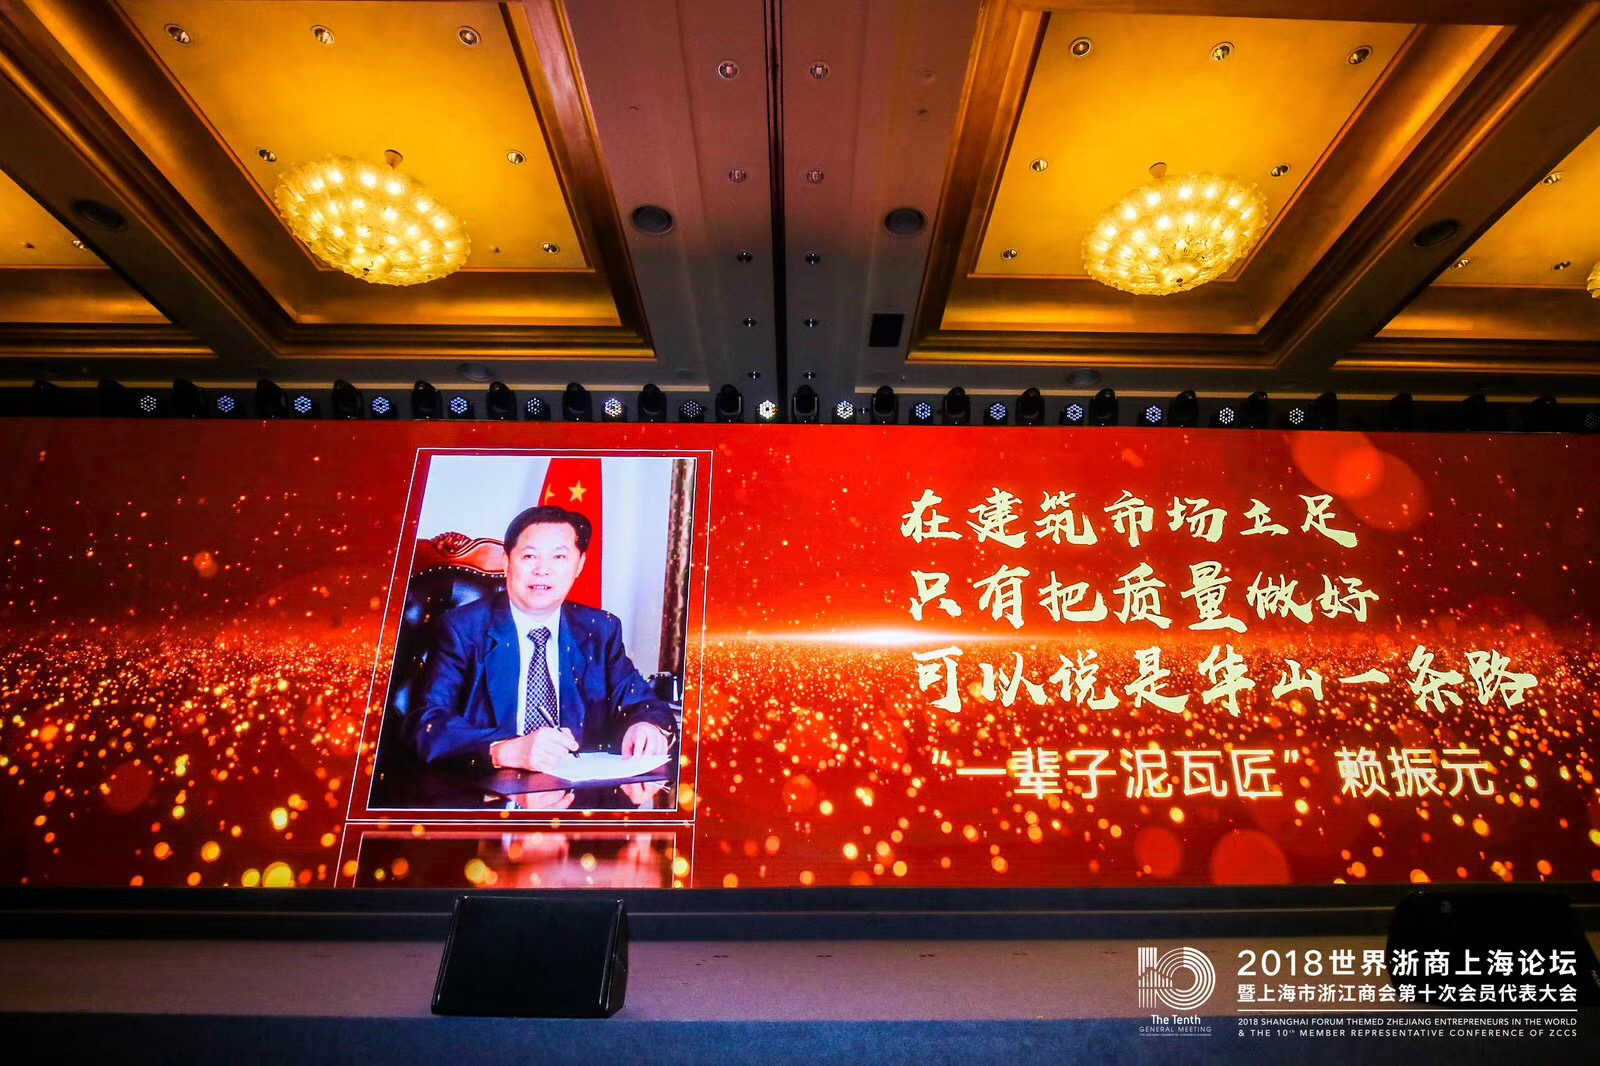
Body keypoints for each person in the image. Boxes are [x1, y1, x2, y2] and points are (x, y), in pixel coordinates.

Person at [405, 505, 676, 774]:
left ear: (579, 565)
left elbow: (646, 704)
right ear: (507, 561)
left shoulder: (600, 630)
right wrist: (504, 749)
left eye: (559, 557)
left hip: (574, 792)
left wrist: (648, 726)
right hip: (487, 789)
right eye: (529, 556)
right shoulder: (463, 629)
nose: (542, 570)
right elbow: (425, 724)